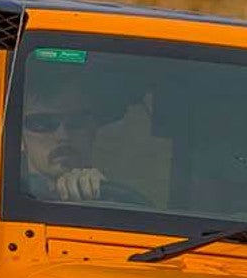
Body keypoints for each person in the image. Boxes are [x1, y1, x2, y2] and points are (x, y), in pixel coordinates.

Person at [19, 73, 151, 205]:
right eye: (43, 123)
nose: (63, 136)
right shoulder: (0, 198)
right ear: (20, 136)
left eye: (77, 122)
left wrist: (103, 202)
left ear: (93, 131)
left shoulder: (121, 203)